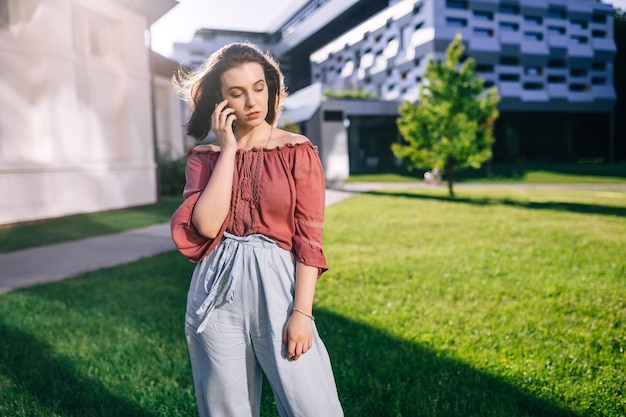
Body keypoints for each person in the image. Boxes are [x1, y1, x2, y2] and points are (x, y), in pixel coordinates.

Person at [170, 42, 344, 417]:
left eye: (259, 87)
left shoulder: (298, 151)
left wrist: (302, 313)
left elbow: (309, 240)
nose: (252, 101)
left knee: (312, 405)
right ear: (221, 100)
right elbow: (206, 224)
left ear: (270, 87)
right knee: (225, 409)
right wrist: (229, 149)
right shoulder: (206, 157)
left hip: (277, 287)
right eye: (237, 92)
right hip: (215, 291)